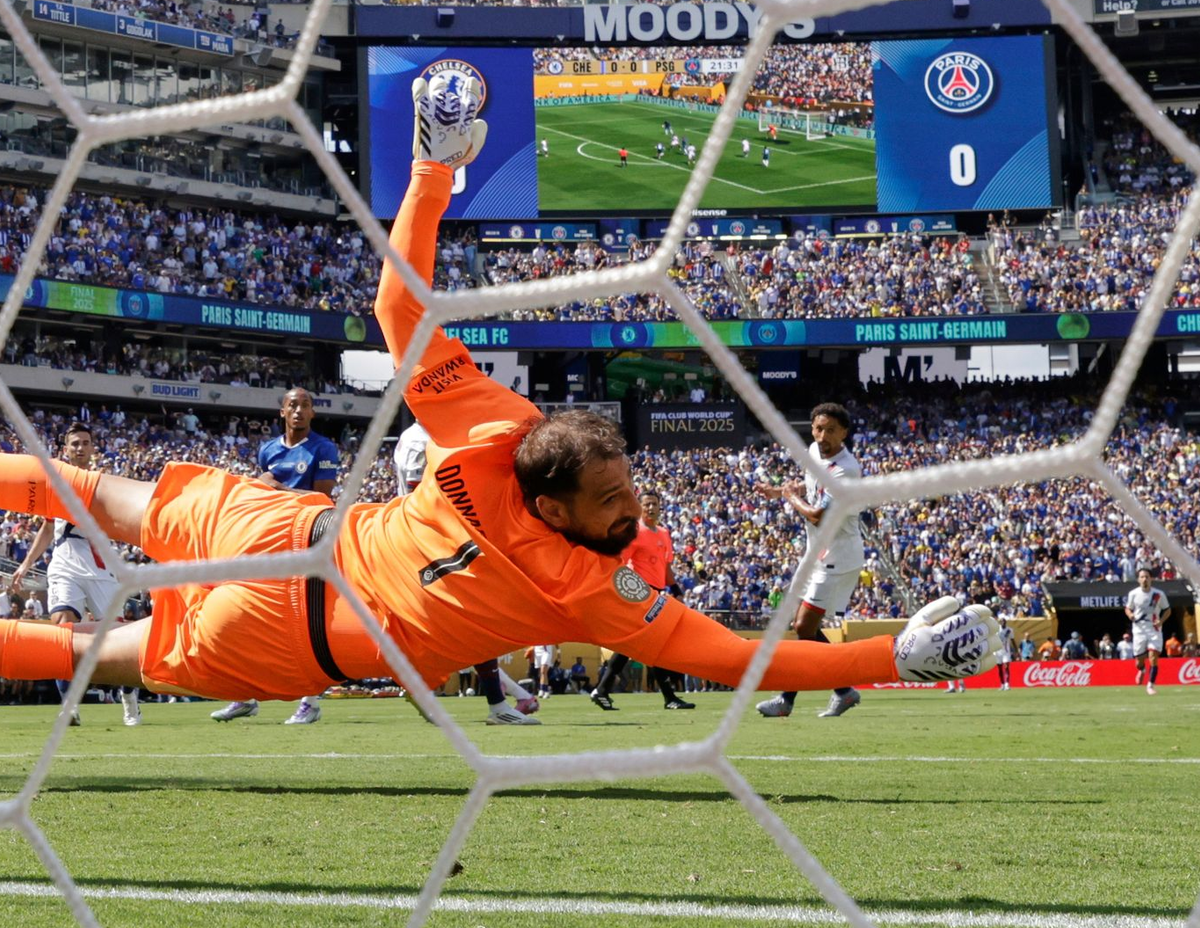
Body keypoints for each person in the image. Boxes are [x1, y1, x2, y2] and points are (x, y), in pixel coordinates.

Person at [0, 74, 998, 714]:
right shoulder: (595, 588)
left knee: (88, 506)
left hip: (286, 539)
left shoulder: (498, 428)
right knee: (84, 641)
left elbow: (398, 307)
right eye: (617, 502)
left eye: (630, 494)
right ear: (559, 505)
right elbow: (744, 661)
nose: (635, 509)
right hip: (292, 627)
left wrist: (435, 167)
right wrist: (890, 659)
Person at [395, 418, 539, 725]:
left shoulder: (431, 434)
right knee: (471, 619)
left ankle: (495, 702)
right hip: (431, 539)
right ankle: (492, 704)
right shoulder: (421, 438)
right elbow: (418, 495)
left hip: (435, 537)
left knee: (466, 624)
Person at [211, 387, 339, 726]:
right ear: (282, 412)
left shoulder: (323, 448)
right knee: (250, 616)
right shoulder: (268, 449)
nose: (299, 411)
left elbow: (323, 500)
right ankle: (244, 695)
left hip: (308, 541)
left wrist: (278, 489)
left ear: (313, 413)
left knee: (304, 622)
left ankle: (309, 702)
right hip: (271, 540)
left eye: (305, 406)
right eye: (292, 405)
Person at [12, 422, 140, 727]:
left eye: (85, 443)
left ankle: (129, 698)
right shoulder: (54, 483)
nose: (80, 448)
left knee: (118, 640)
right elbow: (46, 526)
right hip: (64, 563)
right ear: (65, 449)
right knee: (61, 631)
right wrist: (25, 565)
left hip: (100, 565)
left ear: (93, 448)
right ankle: (70, 706)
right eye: (75, 444)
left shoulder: (105, 483)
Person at [755, 403, 867, 720]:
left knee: (804, 626)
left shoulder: (848, 469)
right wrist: (780, 492)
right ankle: (841, 690)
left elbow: (817, 515)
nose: (821, 435)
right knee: (802, 626)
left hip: (838, 553)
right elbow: (811, 484)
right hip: (817, 551)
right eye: (818, 428)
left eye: (830, 430)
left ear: (844, 433)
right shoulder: (815, 453)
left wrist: (790, 498)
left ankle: (798, 698)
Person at [590, 489, 694, 711]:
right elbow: (620, 561)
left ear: (660, 506)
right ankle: (668, 698)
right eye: (646, 504)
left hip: (657, 593)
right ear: (639, 506)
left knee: (638, 645)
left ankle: (602, 689)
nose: (650, 508)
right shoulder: (635, 531)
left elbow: (665, 566)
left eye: (654, 504)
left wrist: (675, 587)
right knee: (653, 643)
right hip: (640, 594)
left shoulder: (664, 533)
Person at [1125, 567, 1171, 696]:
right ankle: (1142, 670)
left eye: (1147, 576)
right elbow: (1128, 608)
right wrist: (1130, 615)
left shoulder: (1159, 594)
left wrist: (1161, 621)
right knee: (1139, 661)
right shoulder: (1133, 593)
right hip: (1139, 630)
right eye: (1142, 577)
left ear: (1151, 579)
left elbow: (1167, 610)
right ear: (1138, 579)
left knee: (1153, 657)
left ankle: (1150, 684)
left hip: (1154, 630)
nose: (1144, 579)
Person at [995, 615, 1015, 690]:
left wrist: (1016, 650)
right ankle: (1002, 684)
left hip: (1006, 651)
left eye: (1004, 621)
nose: (1003, 622)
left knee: (1006, 667)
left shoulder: (1009, 630)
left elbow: (1013, 640)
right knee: (999, 668)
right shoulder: (996, 630)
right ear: (1000, 622)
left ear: (1006, 622)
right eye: (1002, 621)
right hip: (997, 652)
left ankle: (1007, 684)